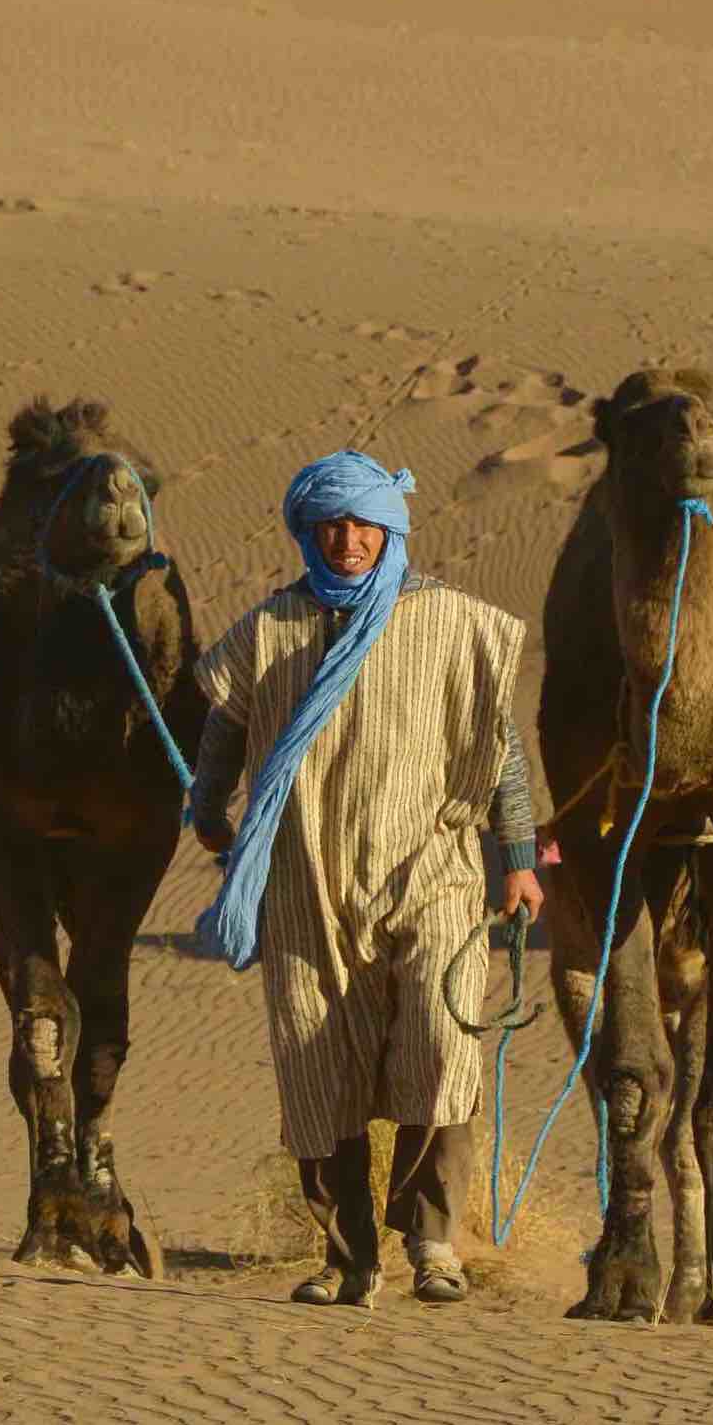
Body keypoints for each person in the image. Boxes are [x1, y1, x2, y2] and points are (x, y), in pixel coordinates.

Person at [190, 450, 541, 1307]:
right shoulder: (269, 629)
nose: (348, 540)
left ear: (394, 530)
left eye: (364, 525)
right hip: (307, 882)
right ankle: (349, 1259)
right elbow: (223, 729)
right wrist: (208, 807)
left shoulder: (454, 623)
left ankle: (433, 1241)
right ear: (309, 531)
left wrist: (522, 861)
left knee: (441, 1041)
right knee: (318, 1073)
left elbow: (501, 754)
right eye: (332, 526)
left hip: (433, 873)